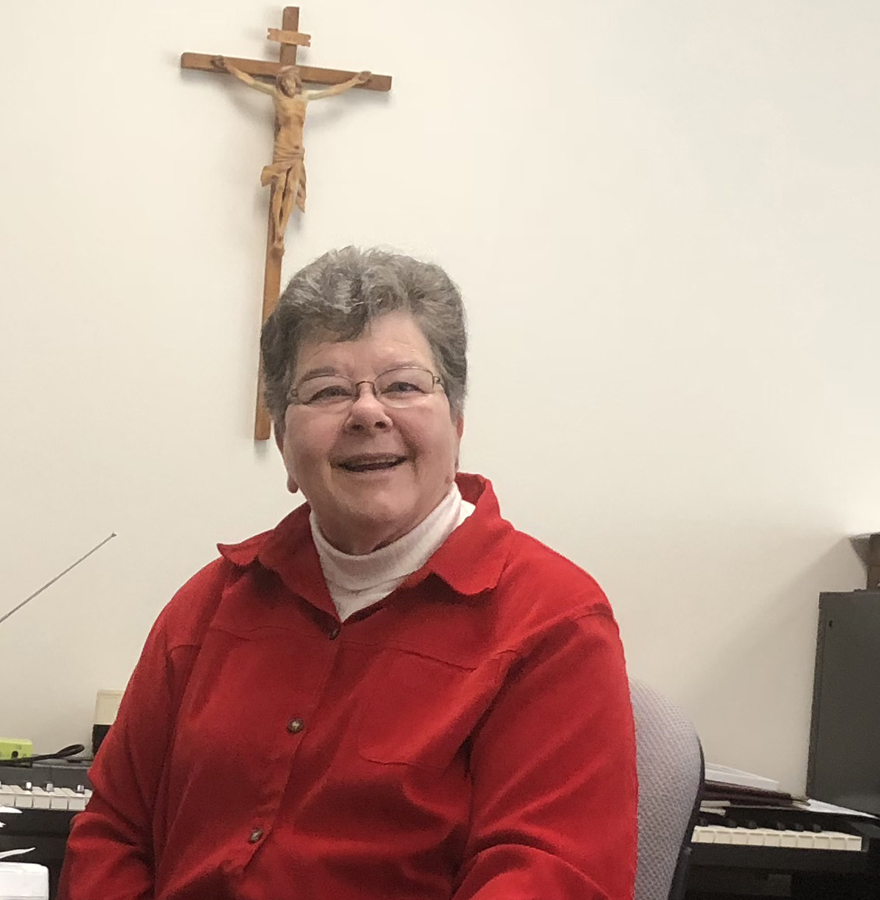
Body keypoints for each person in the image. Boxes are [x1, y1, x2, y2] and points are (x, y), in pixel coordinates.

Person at [59, 247, 637, 900]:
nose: (367, 413)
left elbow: (549, 880)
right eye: (328, 391)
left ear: (458, 423)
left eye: (403, 386)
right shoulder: (211, 605)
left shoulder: (552, 623)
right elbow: (114, 831)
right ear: (282, 441)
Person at [212, 58, 371, 253]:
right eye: (285, 82)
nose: (288, 85)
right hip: (283, 146)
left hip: (297, 149)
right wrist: (229, 68)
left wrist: (355, 81)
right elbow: (250, 82)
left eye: (292, 81)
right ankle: (277, 229)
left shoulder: (304, 98)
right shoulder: (276, 96)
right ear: (281, 83)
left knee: (292, 187)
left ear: (297, 82)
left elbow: (331, 91)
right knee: (280, 185)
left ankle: (281, 234)